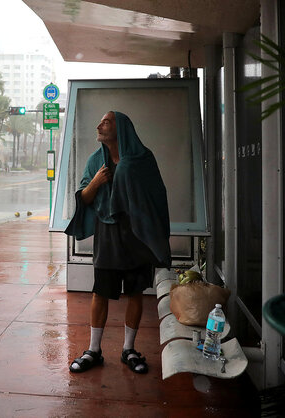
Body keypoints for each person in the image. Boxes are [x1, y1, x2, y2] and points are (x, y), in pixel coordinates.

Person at [64, 111, 171, 374]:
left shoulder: (143, 160)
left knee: (135, 292)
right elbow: (84, 198)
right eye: (100, 121)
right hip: (108, 234)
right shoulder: (95, 161)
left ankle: (129, 349)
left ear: (121, 128)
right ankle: (94, 350)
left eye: (106, 122)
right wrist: (98, 182)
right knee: (100, 292)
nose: (99, 125)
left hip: (138, 235)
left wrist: (128, 175)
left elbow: (157, 195)